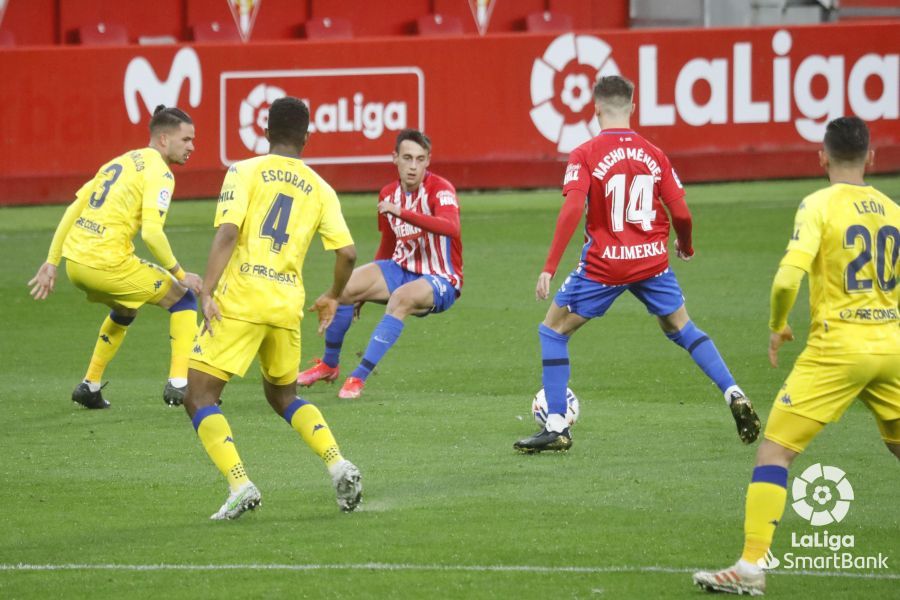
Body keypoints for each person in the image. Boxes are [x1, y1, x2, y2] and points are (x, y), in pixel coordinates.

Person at [693, 116, 899, 595]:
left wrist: (776, 325)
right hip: (889, 346)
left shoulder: (818, 205)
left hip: (837, 349)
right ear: (872, 158)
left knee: (774, 450)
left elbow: (788, 278)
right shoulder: (891, 208)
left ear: (821, 157)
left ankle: (749, 568)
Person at [514, 75, 760, 453]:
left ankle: (558, 424)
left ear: (595, 109)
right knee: (680, 326)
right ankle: (733, 391)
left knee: (553, 331)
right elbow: (681, 212)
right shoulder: (655, 154)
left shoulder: (585, 153)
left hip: (604, 265)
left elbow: (571, 209)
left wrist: (549, 265)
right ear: (633, 107)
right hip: (651, 261)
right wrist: (687, 245)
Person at [183, 96, 362, 520]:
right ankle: (339, 464)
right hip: (286, 305)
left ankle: (240, 482)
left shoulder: (243, 171)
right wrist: (334, 295)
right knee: (283, 395)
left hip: (241, 300)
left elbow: (228, 232)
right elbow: (349, 253)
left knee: (198, 395)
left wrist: (206, 291)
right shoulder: (321, 187)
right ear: (306, 137)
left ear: (265, 131)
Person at [28, 105, 202, 409]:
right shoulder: (160, 172)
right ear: (164, 139)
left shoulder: (119, 161)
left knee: (125, 309)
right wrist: (180, 272)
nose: (192, 147)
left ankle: (89, 386)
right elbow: (151, 233)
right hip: (107, 263)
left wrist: (52, 262)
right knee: (184, 297)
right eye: (186, 140)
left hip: (77, 266)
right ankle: (179, 384)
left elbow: (74, 209)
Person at [297, 129, 463, 399]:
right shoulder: (388, 194)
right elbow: (388, 242)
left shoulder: (440, 190)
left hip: (440, 278)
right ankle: (329, 365)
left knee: (400, 299)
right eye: (407, 158)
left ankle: (358, 378)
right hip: (400, 268)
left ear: (428, 161)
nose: (413, 166)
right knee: (346, 289)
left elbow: (452, 227)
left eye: (420, 159)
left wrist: (402, 213)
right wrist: (366, 289)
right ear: (394, 158)